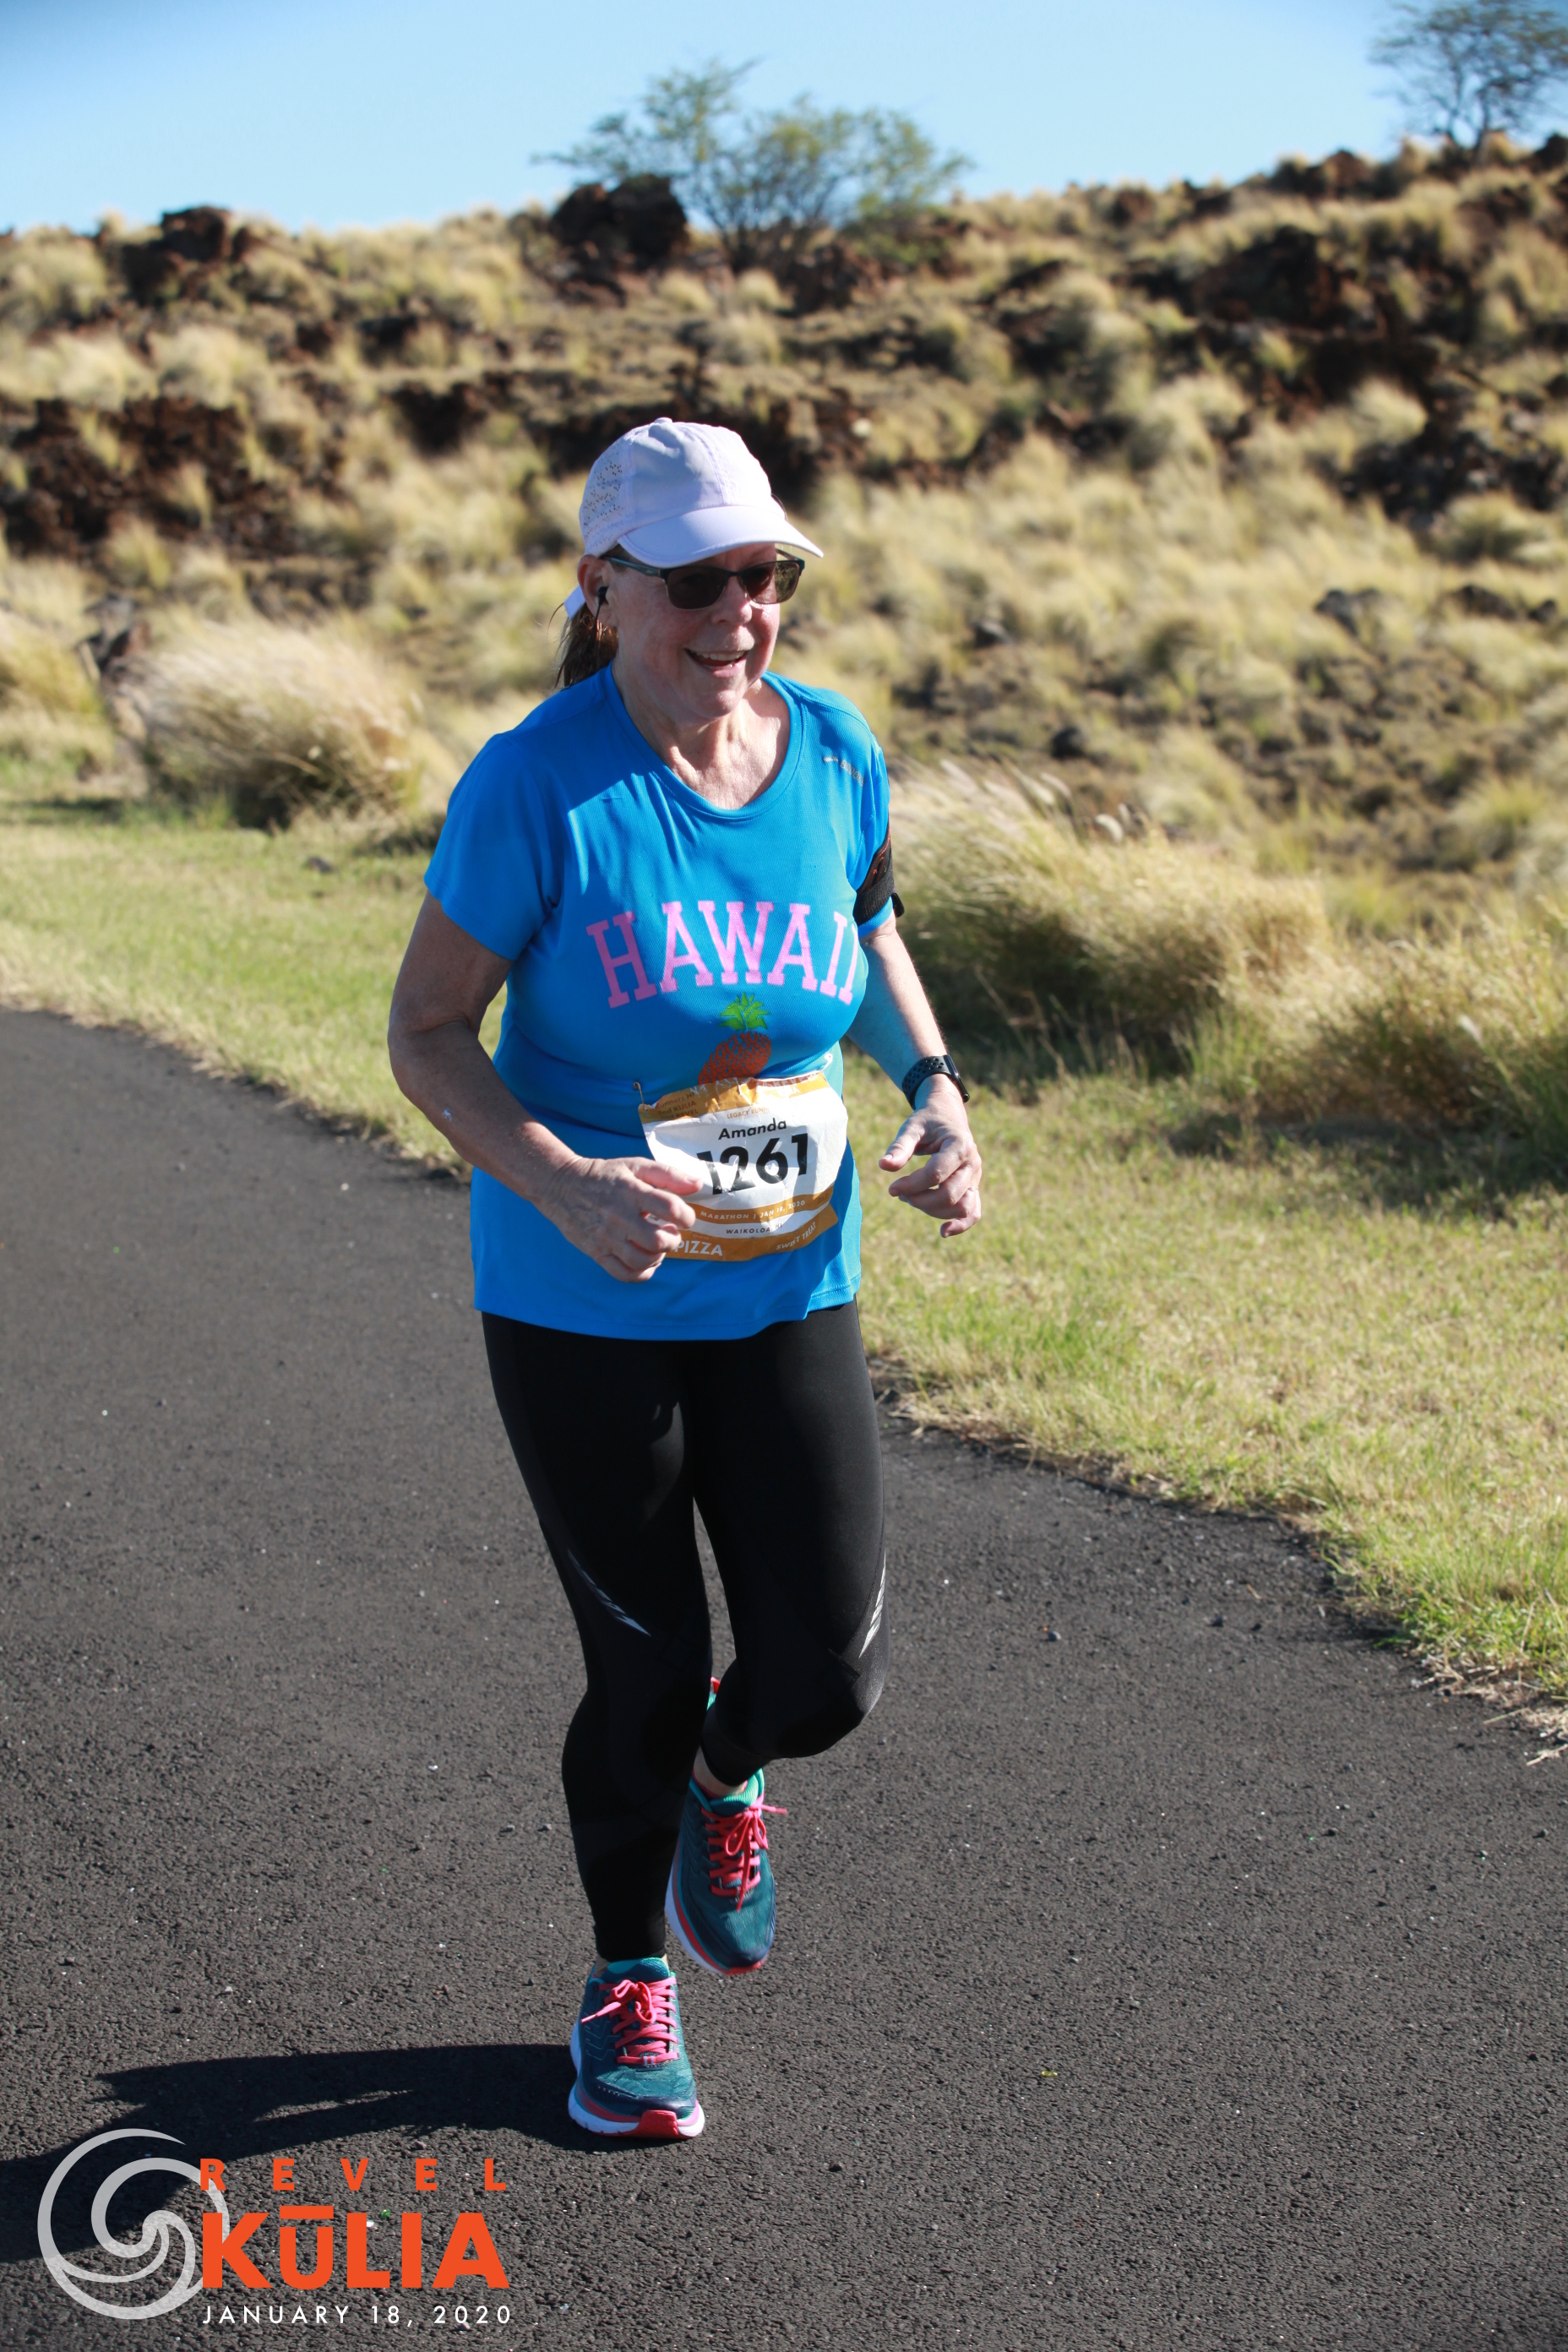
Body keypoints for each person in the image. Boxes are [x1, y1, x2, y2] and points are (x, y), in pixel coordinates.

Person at [388, 417, 983, 2141]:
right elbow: (427, 1034)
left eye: (765, 574)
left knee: (826, 1673)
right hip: (581, 1296)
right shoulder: (538, 783)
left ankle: (731, 1777)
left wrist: (936, 1088)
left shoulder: (834, 750)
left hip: (789, 1281)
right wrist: (567, 1185)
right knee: (646, 1663)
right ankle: (624, 1981)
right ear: (603, 587)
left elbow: (867, 929)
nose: (740, 612)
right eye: (699, 580)